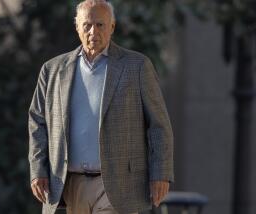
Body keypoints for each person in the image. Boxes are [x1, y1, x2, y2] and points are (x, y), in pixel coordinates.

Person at [28, 0, 174, 213]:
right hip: (70, 184)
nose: (92, 31)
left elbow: (159, 126)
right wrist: (37, 170)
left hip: (118, 185)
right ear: (77, 26)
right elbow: (37, 123)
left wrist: (160, 173)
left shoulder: (137, 66)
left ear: (112, 27)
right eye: (86, 25)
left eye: (100, 25)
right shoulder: (52, 70)